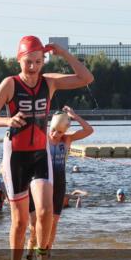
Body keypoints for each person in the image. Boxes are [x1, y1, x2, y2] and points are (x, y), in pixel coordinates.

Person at [0, 36, 94, 260]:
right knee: (20, 222)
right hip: (16, 157)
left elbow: (86, 78)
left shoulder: (49, 82)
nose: (32, 68)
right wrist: (6, 120)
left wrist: (63, 53)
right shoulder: (10, 84)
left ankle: (42, 257)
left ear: (44, 61)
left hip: (40, 155)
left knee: (45, 210)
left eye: (38, 62)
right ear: (18, 59)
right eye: (28, 62)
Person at [45, 107, 94, 251]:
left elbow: (89, 130)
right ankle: (31, 249)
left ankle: (46, 252)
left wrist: (74, 116)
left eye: (60, 132)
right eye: (53, 130)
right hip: (43, 182)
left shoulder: (67, 139)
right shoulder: (42, 137)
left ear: (64, 131)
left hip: (59, 183)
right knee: (37, 222)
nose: (55, 134)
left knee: (54, 222)